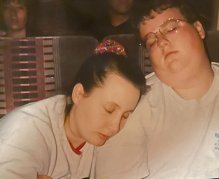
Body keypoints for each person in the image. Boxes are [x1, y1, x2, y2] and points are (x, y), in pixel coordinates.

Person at [94, 0, 219, 178]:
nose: (161, 41)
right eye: (151, 40)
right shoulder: (130, 110)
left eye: (170, 27)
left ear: (199, 29)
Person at [0, 39, 147, 178]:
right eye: (109, 109)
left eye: (126, 115)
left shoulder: (98, 136)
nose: (115, 127)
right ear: (79, 94)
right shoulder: (26, 133)